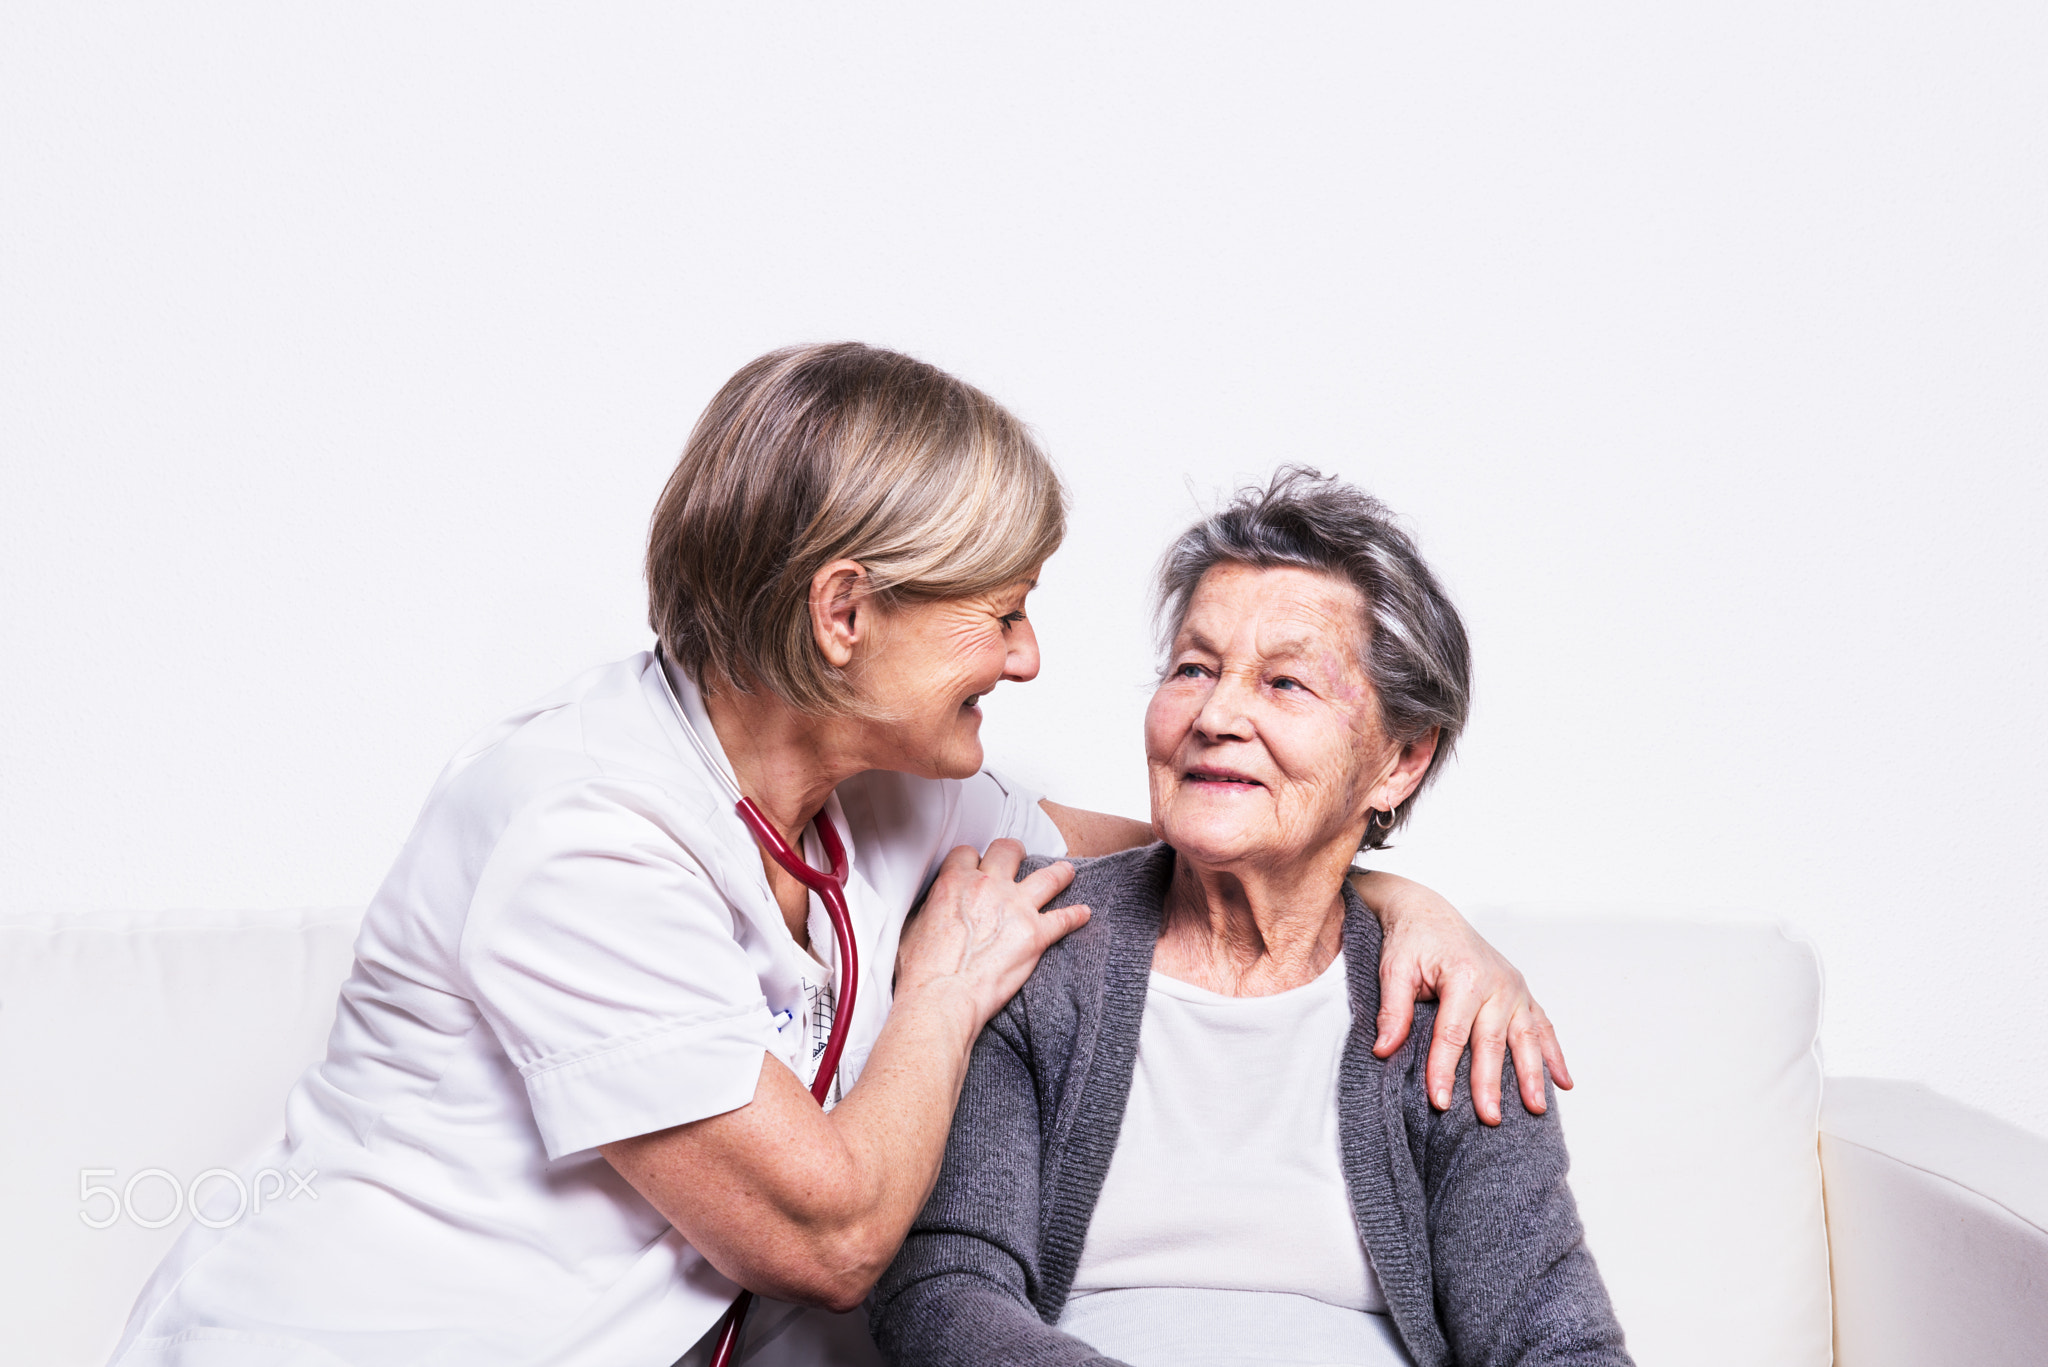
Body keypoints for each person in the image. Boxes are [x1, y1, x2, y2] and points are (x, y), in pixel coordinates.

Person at [112, 347, 1570, 1367]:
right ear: (844, 612)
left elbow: (1199, 832)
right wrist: (937, 993)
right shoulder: (570, 830)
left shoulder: (885, 789)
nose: (1028, 652)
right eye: (996, 612)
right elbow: (838, 1236)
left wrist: (1395, 891)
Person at [871, 469, 1631, 1367]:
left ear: (1399, 760)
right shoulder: (1025, 940)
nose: (1218, 713)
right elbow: (945, 1290)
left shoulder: (1453, 1008)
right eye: (1194, 667)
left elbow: (1559, 1343)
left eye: (1284, 683)